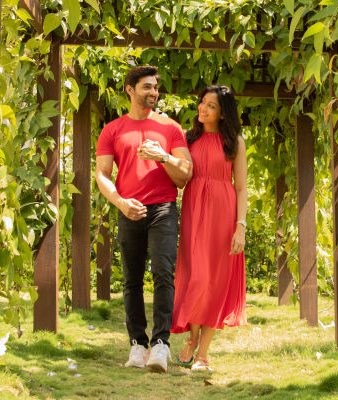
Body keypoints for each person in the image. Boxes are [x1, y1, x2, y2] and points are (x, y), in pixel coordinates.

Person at [95, 65, 193, 373]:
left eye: (156, 87)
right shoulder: (112, 130)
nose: (153, 92)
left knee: (164, 273)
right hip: (129, 210)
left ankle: (160, 345)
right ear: (130, 90)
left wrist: (163, 157)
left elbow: (185, 175)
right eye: (147, 87)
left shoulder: (171, 128)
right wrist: (121, 203)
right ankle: (137, 344)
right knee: (131, 279)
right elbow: (102, 174)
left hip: (163, 208)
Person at [171, 85, 247, 371]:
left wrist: (240, 227)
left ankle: (203, 353)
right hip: (193, 211)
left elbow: (241, 188)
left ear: (224, 114)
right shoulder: (188, 139)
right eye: (202, 103)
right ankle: (191, 338)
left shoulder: (235, 143)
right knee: (196, 277)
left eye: (211, 106)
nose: (202, 108)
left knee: (215, 281)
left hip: (223, 214)